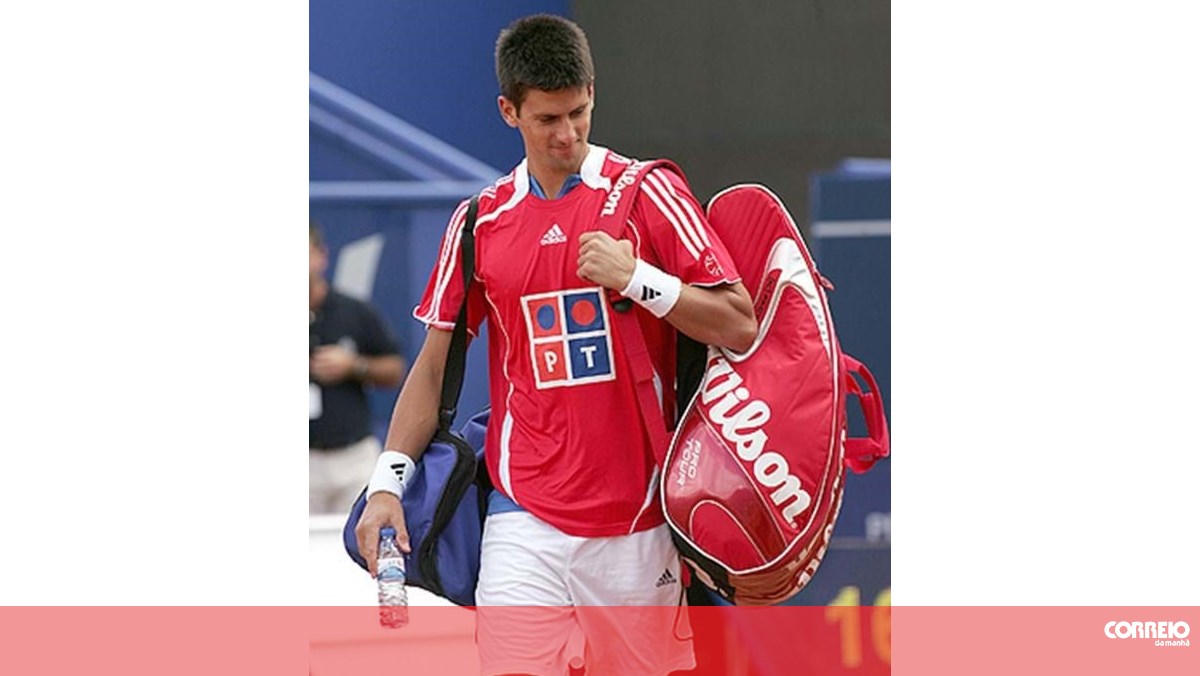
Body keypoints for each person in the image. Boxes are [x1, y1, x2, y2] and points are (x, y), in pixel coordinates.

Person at [355, 14, 757, 675]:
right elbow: (433, 368)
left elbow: (737, 321)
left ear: (593, 93)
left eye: (578, 112)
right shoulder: (480, 221)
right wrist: (386, 485)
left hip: (639, 520)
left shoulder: (649, 193)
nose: (567, 134)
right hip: (523, 517)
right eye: (547, 119)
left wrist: (639, 280)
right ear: (508, 110)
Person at [309, 219, 406, 515]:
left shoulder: (354, 311)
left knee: (360, 543)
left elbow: (395, 368)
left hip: (353, 455)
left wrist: (355, 365)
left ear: (321, 256)